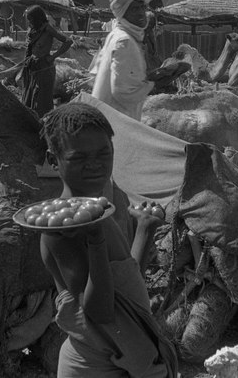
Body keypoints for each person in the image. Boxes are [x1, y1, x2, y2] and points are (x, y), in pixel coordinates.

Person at [39, 102, 178, 378]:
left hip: (124, 357)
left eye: (104, 153)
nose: (94, 165)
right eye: (78, 158)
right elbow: (100, 312)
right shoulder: (60, 231)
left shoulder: (103, 209)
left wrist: (144, 231)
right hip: (96, 366)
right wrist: (96, 242)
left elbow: (125, 286)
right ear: (53, 160)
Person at [91, 0, 155, 120]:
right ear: (123, 12)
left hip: (105, 120)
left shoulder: (117, 34)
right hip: (116, 124)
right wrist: (154, 83)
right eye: (134, 9)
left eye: (142, 8)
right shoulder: (124, 41)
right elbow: (123, 93)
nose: (141, 13)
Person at [20, 5, 72, 117]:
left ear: (38, 18)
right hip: (33, 68)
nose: (29, 23)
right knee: (30, 100)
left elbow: (68, 41)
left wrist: (53, 56)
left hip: (45, 69)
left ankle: (44, 125)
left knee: (41, 103)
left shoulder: (48, 29)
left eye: (31, 20)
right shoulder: (33, 30)